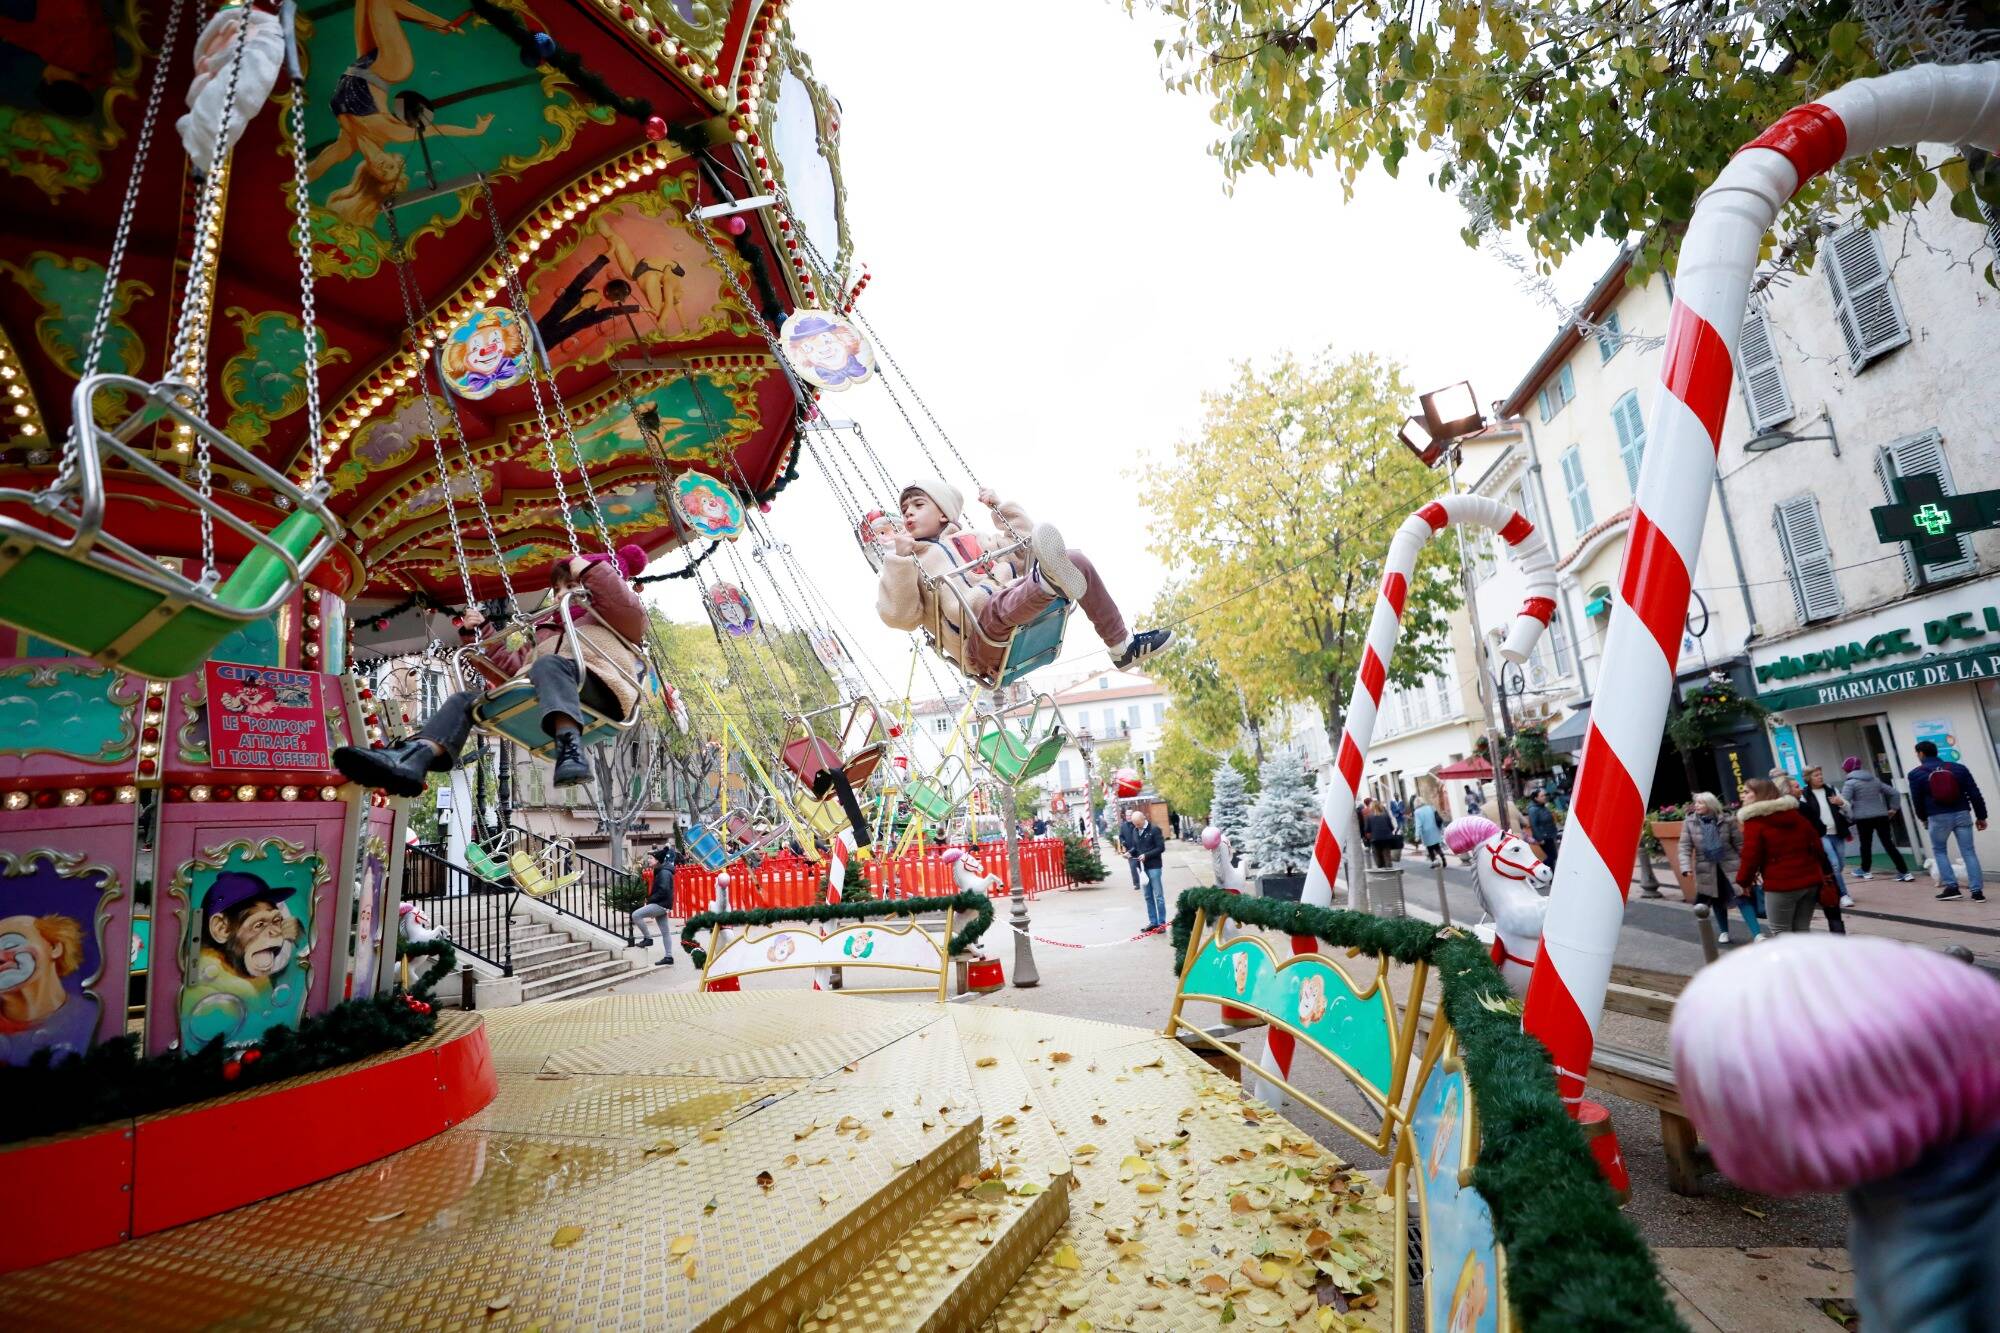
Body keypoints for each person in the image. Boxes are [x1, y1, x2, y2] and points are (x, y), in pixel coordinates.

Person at [334, 546, 650, 795]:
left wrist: (590, 569)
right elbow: (510, 672)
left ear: (594, 583)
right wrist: (479, 632)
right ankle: (412, 758)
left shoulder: (620, 620)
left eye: (569, 586)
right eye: (556, 590)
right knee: (465, 701)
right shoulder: (546, 635)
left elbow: (620, 600)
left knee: (549, 665)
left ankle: (572, 749)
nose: (558, 596)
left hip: (602, 691)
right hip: (550, 698)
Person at [874, 479, 1171, 677]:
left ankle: (1122, 647)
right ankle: (1045, 583)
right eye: (904, 510)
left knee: (1074, 559)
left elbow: (1028, 546)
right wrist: (899, 560)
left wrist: (1000, 509)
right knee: (996, 605)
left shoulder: (975, 538)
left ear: (944, 515)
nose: (908, 514)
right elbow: (899, 617)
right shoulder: (912, 563)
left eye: (917, 505)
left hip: (1015, 613)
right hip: (981, 645)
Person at [1737, 777, 1834, 935]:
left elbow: (1751, 855)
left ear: (1760, 794)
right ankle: (1804, 960)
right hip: (1810, 881)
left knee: (1781, 931)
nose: (1743, 796)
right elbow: (1817, 845)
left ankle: (1792, 961)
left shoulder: (1755, 822)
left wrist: (1743, 881)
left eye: (1747, 792)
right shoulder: (1795, 814)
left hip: (1781, 884)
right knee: (1802, 930)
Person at [1907, 740, 1987, 902]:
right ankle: (1977, 892)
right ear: (1936, 752)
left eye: (1917, 753)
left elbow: (1917, 800)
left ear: (1921, 753)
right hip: (1962, 813)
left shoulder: (1916, 774)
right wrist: (1981, 816)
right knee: (1969, 852)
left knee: (1940, 851)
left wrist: (1923, 818)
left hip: (1937, 816)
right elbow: (1974, 793)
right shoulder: (1959, 768)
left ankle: (1952, 887)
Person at [1678, 792, 1759, 945]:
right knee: (1716, 900)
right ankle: (1724, 932)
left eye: (1700, 803)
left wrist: (1749, 865)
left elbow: (1740, 844)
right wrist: (1685, 867)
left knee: (1742, 897)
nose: (1696, 806)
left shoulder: (1728, 820)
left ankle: (1757, 934)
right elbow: (1684, 847)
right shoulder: (1690, 822)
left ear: (1710, 804)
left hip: (1731, 865)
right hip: (1706, 868)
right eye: (1696, 803)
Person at [1840, 756, 1914, 882]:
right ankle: (1905, 872)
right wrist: (1893, 809)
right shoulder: (1874, 780)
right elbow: (1894, 793)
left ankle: (1865, 870)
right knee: (1888, 844)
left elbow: (1844, 801)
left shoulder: (1850, 783)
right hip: (1881, 815)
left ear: (1847, 769)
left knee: (1865, 845)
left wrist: (1847, 815)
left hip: (1863, 817)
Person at [1799, 766, 1853, 908]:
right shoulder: (1805, 795)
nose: (1820, 777)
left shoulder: (1831, 789)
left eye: (1820, 774)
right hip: (1821, 834)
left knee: (1840, 864)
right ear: (1808, 778)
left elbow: (1847, 806)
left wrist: (1840, 802)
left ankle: (1831, 882)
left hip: (1838, 831)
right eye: (1816, 775)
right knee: (1834, 864)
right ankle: (1844, 894)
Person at [631, 845, 676, 966]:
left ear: (657, 860)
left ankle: (648, 938)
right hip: (664, 904)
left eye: (650, 858)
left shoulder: (664, 872)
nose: (648, 860)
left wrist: (650, 901)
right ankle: (669, 957)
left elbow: (663, 890)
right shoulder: (661, 871)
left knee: (636, 915)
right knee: (665, 932)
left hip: (661, 904)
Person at [1130, 811, 1167, 932]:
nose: (1137, 827)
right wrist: (1130, 852)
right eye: (1135, 824)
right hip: (1143, 868)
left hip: (1154, 866)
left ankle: (1162, 924)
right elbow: (1136, 847)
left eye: (1138, 824)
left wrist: (1146, 855)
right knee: (1147, 896)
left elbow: (1161, 847)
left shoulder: (1154, 829)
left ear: (1143, 819)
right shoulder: (1135, 831)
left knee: (1158, 896)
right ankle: (1153, 922)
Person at [1526, 790, 1561, 869]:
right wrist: (1540, 838)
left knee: (1553, 856)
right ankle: (1541, 870)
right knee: (1551, 856)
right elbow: (1533, 825)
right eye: (1542, 796)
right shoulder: (1533, 809)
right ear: (1536, 798)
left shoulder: (1542, 806)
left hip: (1549, 835)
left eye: (1545, 795)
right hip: (1543, 837)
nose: (1544, 797)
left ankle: (1549, 872)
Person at [1363, 800, 1400, 870]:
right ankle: (1389, 871)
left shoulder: (1369, 817)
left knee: (1377, 856)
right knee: (1387, 855)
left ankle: (1381, 870)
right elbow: (1391, 827)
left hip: (1375, 839)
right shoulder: (1385, 815)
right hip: (1386, 838)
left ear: (1372, 807)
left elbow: (1367, 830)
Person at [1412, 797, 1446, 866]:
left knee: (1430, 848)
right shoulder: (1430, 807)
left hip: (1426, 833)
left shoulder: (1417, 812)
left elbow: (1418, 824)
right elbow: (1437, 818)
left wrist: (1417, 836)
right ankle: (1442, 856)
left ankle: (1434, 862)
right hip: (1434, 829)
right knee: (1437, 846)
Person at [1117, 809, 1143, 890]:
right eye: (1127, 815)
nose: (1128, 817)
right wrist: (1123, 842)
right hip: (1129, 851)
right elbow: (1120, 836)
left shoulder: (1137, 825)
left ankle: (1147, 881)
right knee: (1133, 868)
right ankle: (1136, 884)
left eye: (1130, 815)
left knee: (1142, 868)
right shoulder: (1123, 826)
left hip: (1139, 851)